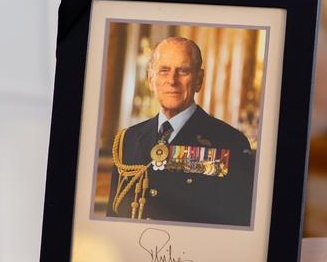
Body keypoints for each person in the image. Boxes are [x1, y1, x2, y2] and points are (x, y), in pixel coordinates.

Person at [107, 37, 255, 226]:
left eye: (183, 71)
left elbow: (237, 224)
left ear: (199, 80)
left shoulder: (230, 143)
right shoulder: (126, 140)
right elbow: (113, 219)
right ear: (151, 80)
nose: (172, 80)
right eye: (164, 71)